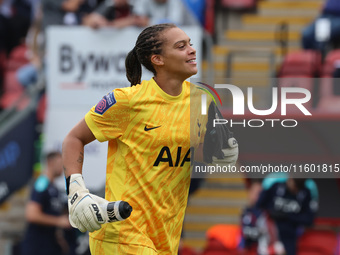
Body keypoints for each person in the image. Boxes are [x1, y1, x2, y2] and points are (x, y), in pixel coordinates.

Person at [62, 23, 238, 254]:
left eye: (190, 44)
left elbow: (190, 152)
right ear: (158, 59)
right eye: (180, 46)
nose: (192, 50)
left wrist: (217, 154)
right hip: (122, 233)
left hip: (166, 236)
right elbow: (73, 138)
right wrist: (76, 190)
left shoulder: (201, 101)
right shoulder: (127, 101)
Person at [21, 151, 72, 255]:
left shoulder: (54, 188)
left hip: (50, 245)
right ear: (50, 162)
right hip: (37, 246)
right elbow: (32, 215)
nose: (63, 167)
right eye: (60, 163)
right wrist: (59, 221)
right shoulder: (42, 183)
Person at [255, 176, 318, 255]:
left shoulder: (305, 192)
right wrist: (271, 212)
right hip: (269, 235)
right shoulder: (276, 187)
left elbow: (309, 219)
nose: (296, 190)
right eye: (295, 186)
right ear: (290, 179)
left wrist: (287, 216)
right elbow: (258, 206)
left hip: (289, 237)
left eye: (300, 187)